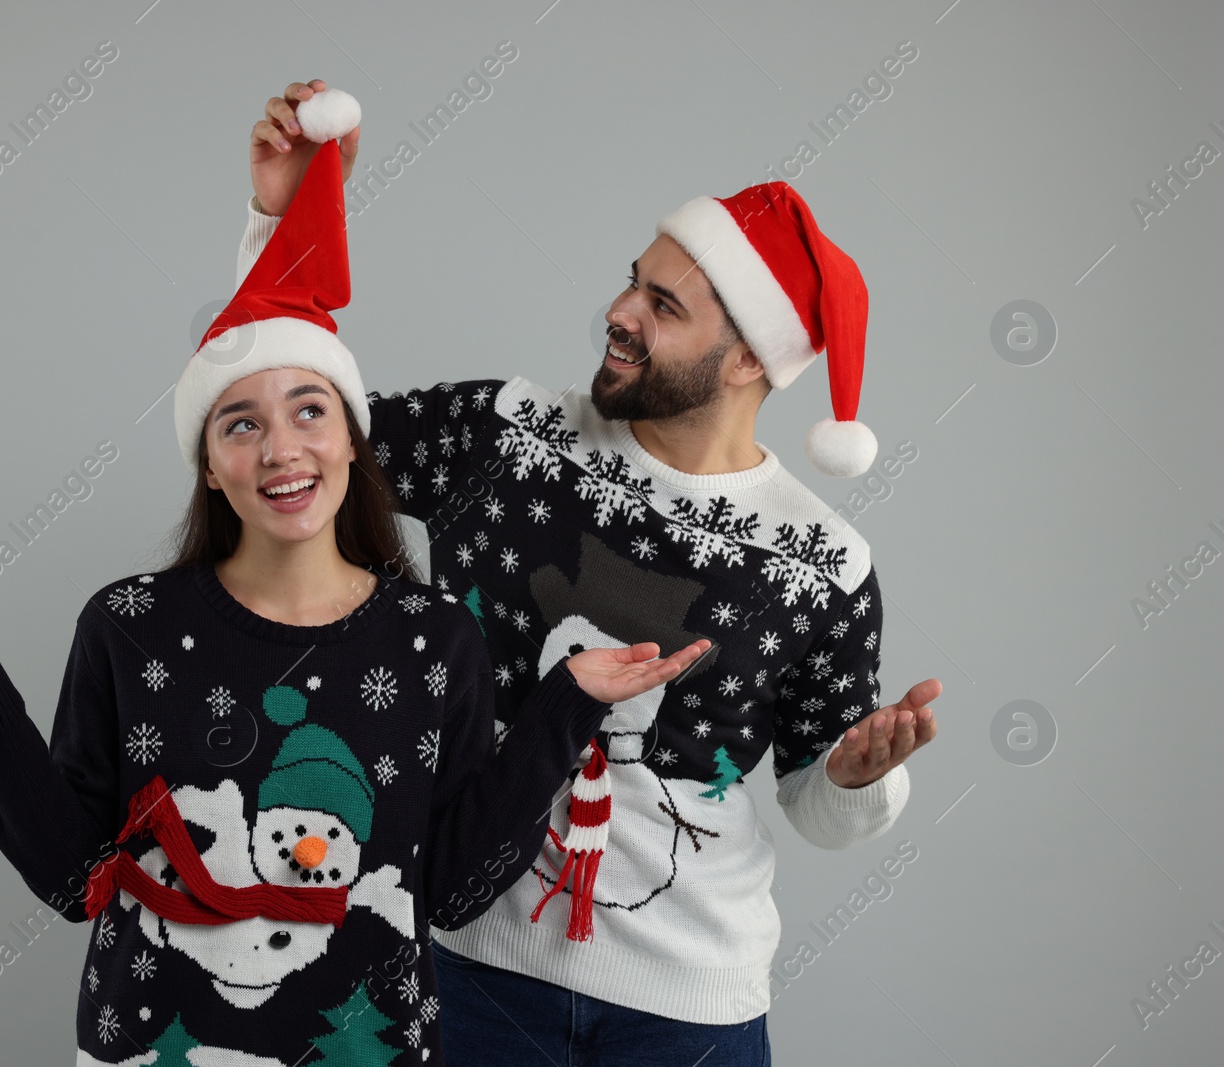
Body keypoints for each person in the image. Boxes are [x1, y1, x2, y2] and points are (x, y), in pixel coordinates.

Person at [0, 89, 709, 1067]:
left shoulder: (432, 642)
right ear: (210, 463)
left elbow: (451, 890)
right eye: (239, 422)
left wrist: (563, 705)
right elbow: (73, 872)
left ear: (351, 437)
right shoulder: (129, 624)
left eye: (309, 410)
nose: (280, 448)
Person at [237, 80, 944, 1066]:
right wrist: (286, 222)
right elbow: (291, 433)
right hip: (467, 968)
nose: (617, 312)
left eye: (661, 304)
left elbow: (819, 806)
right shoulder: (504, 437)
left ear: (746, 358)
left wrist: (859, 775)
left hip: (687, 1014)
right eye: (630, 281)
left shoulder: (822, 563)